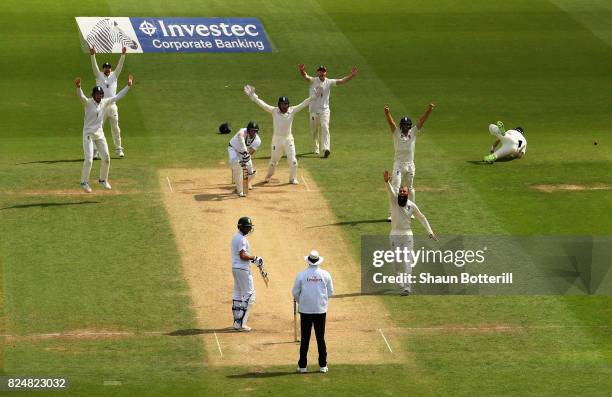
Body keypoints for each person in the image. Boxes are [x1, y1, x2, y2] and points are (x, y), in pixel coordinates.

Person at [243, 84, 322, 184]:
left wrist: (314, 96)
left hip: (288, 139)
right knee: (273, 162)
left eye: (285, 104)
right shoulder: (274, 111)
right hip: (277, 140)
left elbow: (304, 103)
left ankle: (292, 178)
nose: (284, 106)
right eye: (282, 104)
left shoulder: (292, 110)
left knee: (293, 161)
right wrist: (253, 96)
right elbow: (263, 104)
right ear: (279, 105)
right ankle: (269, 175)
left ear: (288, 104)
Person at [75, 74, 133, 193]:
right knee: (89, 159)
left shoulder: (105, 102)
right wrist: (78, 87)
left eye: (100, 95)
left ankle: (103, 180)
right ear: (93, 95)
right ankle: (84, 182)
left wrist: (128, 86)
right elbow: (81, 96)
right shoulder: (88, 103)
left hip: (99, 134)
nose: (99, 96)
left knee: (106, 158)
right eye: (97, 95)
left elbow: (117, 96)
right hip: (88, 134)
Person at [384, 170, 437, 295]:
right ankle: (399, 281)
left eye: (404, 192)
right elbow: (390, 190)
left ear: (408, 194)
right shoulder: (393, 200)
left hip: (407, 236)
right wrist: (387, 182)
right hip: (395, 235)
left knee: (407, 262)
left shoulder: (411, 205)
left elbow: (421, 217)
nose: (402, 193)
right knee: (397, 262)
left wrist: (430, 231)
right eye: (401, 191)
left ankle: (407, 288)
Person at [384, 104, 435, 221]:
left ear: (409, 126)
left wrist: (429, 110)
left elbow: (421, 122)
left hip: (410, 165)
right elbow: (391, 123)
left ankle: (410, 211)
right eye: (404, 125)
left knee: (410, 189)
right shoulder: (396, 133)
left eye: (407, 125)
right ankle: (391, 213)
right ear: (401, 126)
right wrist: (387, 113)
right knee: (395, 189)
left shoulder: (413, 132)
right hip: (398, 165)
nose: (405, 127)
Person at [298, 64, 358, 157]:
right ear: (318, 72)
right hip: (313, 109)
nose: (322, 72)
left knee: (325, 127)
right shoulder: (313, 81)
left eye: (323, 71)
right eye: (320, 71)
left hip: (325, 110)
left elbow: (341, 81)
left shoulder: (329, 82)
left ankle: (326, 148)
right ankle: (316, 148)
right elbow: (305, 76)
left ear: (325, 72)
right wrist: (302, 70)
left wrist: (352, 75)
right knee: (314, 130)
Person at [292, 250, 334, 374]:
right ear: (318, 261)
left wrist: (302, 301)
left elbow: (295, 292)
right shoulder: (325, 274)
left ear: (308, 261)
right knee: (320, 338)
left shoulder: (301, 275)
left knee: (305, 338)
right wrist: (321, 301)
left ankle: (303, 367)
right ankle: (323, 365)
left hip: (305, 310)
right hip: (320, 310)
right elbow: (330, 292)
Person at [90, 46, 127, 158]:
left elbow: (120, 66)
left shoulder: (114, 75)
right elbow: (94, 67)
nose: (107, 69)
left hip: (112, 106)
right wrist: (92, 55)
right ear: (103, 69)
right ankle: (95, 151)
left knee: (115, 128)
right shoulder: (98, 75)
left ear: (111, 69)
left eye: (109, 67)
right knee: (97, 127)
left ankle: (118, 149)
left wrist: (123, 55)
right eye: (105, 67)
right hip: (101, 106)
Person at [231, 217, 266, 331]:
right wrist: (254, 258)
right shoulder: (242, 239)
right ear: (241, 226)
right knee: (250, 295)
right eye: (247, 227)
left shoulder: (236, 237)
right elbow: (242, 255)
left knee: (237, 293)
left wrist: (253, 259)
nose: (249, 228)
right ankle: (241, 324)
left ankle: (237, 322)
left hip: (236, 268)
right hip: (242, 269)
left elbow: (242, 255)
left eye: (249, 227)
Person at [228, 122, 262, 197]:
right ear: (248, 130)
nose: (252, 132)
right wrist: (244, 151)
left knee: (252, 172)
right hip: (233, 149)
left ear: (256, 131)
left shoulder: (258, 140)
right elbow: (240, 137)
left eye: (254, 131)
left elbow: (251, 151)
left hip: (244, 154)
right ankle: (239, 190)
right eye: (251, 130)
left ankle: (245, 183)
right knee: (237, 166)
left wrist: (247, 156)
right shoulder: (242, 131)